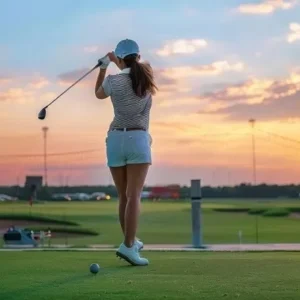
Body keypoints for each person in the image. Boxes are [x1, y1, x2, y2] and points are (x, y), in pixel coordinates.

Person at [94, 39, 158, 266]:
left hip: (115, 140)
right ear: (138, 57)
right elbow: (133, 67)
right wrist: (116, 60)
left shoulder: (113, 80)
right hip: (137, 139)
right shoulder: (146, 78)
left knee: (123, 196)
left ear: (120, 59)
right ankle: (129, 246)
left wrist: (104, 66)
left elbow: (98, 94)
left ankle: (130, 242)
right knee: (134, 196)